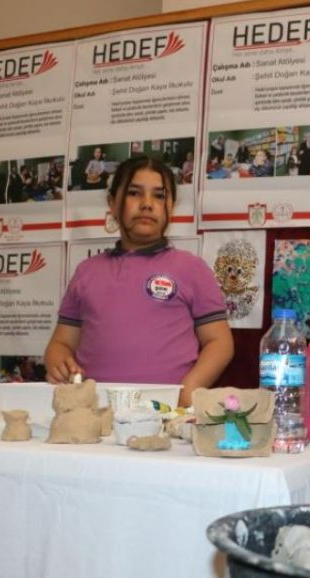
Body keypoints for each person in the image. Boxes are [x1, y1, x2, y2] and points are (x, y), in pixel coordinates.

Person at [44, 157, 233, 407]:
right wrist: (58, 363)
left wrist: (187, 392)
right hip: (95, 414)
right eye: (134, 193)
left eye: (159, 196)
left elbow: (220, 343)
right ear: (113, 204)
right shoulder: (86, 272)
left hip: (166, 414)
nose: (147, 204)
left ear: (171, 207)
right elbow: (61, 343)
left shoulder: (192, 268)